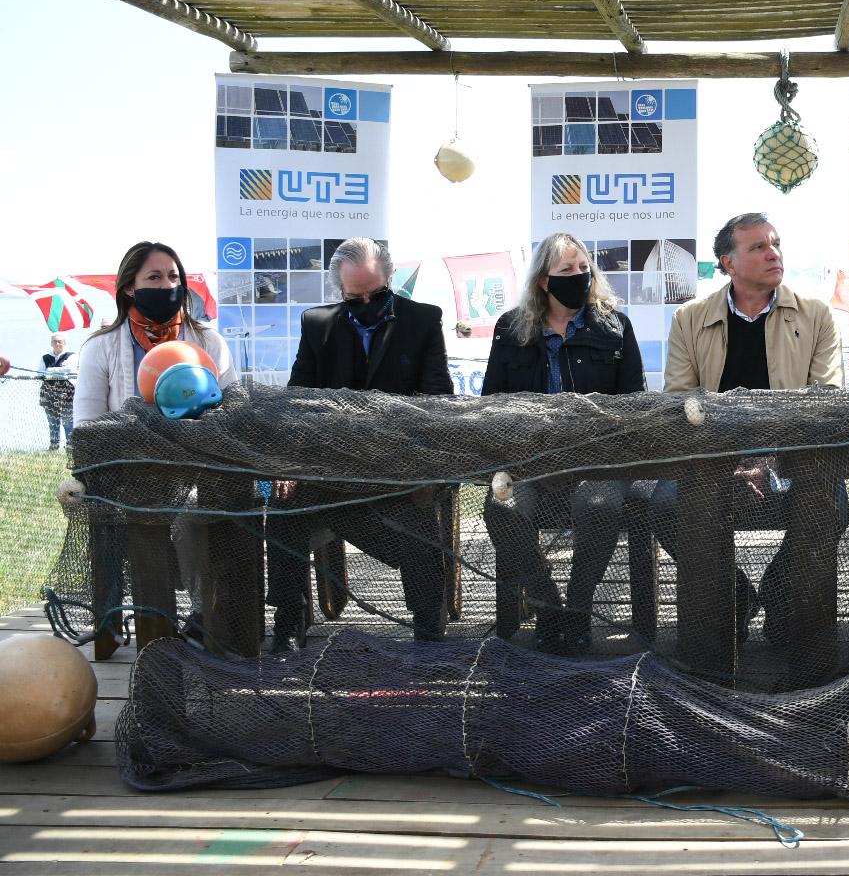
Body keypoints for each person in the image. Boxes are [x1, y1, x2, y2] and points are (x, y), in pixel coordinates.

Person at [660, 211, 844, 649]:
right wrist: (729, 466)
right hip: (713, 464)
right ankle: (737, 596)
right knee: (664, 506)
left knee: (833, 505)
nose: (773, 253)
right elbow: (680, 406)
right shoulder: (689, 318)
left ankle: (779, 599)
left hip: (793, 461)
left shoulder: (816, 315)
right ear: (728, 262)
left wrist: (773, 462)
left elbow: (827, 402)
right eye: (758, 246)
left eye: (776, 243)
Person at [272, 237, 454, 649]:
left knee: (421, 522)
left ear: (391, 278)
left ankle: (429, 633)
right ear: (340, 290)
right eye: (357, 296)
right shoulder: (317, 324)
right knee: (281, 509)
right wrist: (288, 467)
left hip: (399, 470)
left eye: (378, 293)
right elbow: (296, 401)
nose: (368, 301)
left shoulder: (423, 320)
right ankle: (286, 626)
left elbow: (437, 401)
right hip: (330, 471)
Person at [481, 233, 645, 651]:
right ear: (543, 281)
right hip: (528, 467)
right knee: (503, 509)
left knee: (600, 504)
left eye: (582, 267)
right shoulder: (510, 328)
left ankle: (578, 604)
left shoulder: (616, 326)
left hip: (598, 466)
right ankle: (549, 605)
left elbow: (635, 405)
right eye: (565, 270)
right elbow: (491, 403)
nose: (578, 276)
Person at [74, 241, 239, 647]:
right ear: (129, 287)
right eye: (154, 277)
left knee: (197, 516)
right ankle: (146, 634)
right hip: (129, 481)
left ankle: (207, 619)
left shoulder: (210, 342)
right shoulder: (101, 347)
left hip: (199, 475)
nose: (166, 285)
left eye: (173, 277)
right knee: (137, 523)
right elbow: (87, 427)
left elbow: (235, 413)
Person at [39, 333, 76, 451]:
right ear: (51, 343)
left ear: (64, 343)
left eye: (60, 341)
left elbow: (71, 370)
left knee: (68, 422)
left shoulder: (72, 356)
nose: (57, 343)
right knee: (52, 422)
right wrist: (60, 372)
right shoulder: (45, 358)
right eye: (55, 341)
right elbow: (40, 373)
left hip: (67, 395)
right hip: (49, 395)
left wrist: (50, 371)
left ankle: (70, 446)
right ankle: (53, 446)